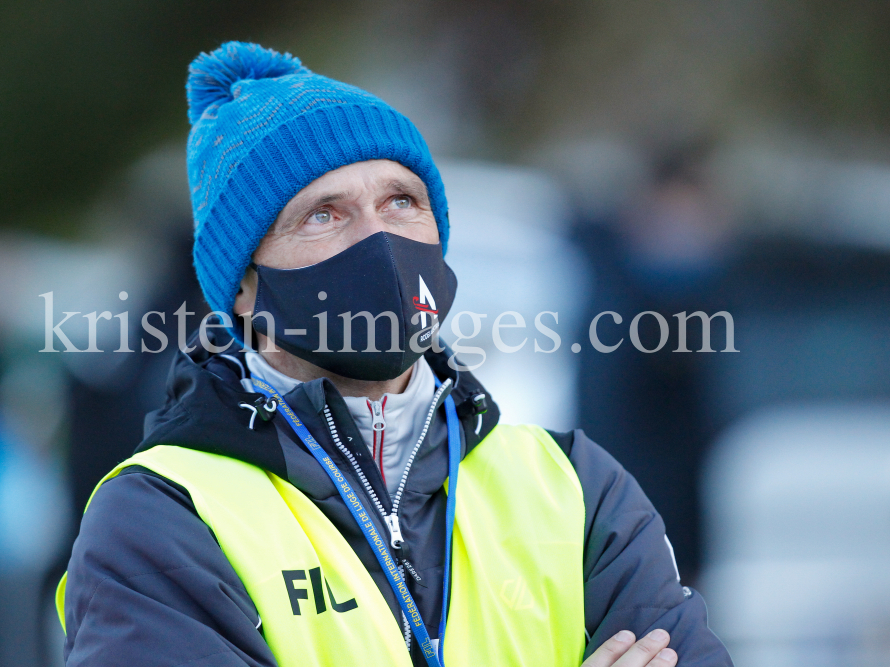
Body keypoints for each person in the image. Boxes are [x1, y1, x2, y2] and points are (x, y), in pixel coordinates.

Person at [57, 42, 732, 667]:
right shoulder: (163, 519)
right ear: (241, 286)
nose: (377, 240)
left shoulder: (577, 487)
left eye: (401, 200)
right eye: (324, 214)